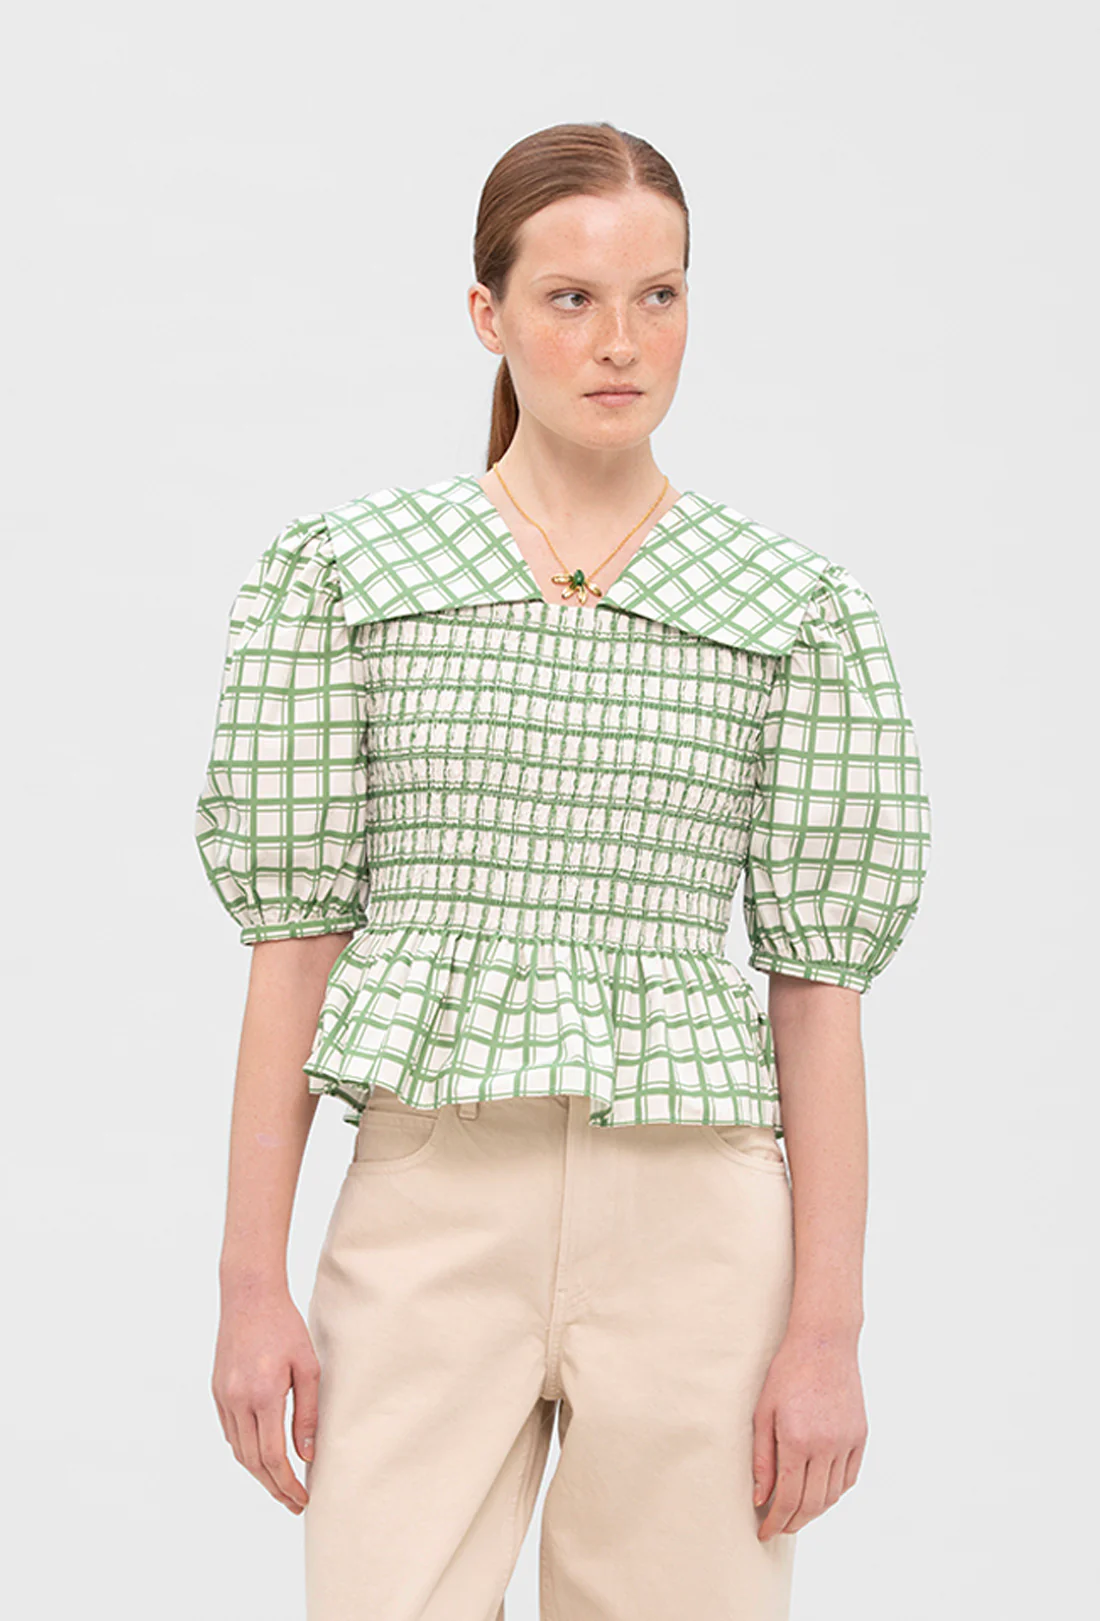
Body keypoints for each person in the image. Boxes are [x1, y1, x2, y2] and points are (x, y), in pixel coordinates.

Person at [193, 121, 931, 1621]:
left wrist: (827, 1334)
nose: (621, 343)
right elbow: (295, 943)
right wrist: (248, 1288)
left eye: (660, 295)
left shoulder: (790, 607)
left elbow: (818, 988)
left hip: (699, 1221)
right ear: (489, 313)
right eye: (571, 298)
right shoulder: (350, 577)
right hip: (430, 1201)